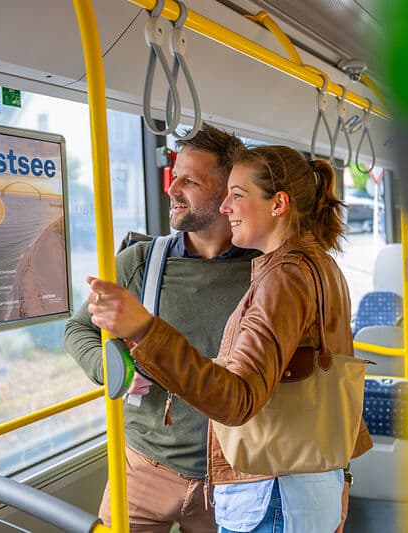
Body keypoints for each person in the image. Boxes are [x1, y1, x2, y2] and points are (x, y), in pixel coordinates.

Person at [86, 145, 372, 533]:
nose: (226, 208)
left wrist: (145, 330)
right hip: (302, 483)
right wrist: (341, 474)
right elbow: (338, 388)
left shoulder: (283, 278)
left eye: (237, 196)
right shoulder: (318, 264)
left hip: (272, 492)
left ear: (278, 204)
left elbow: (237, 399)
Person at [63, 123, 258, 532]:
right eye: (174, 173)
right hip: (144, 468)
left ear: (226, 197)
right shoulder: (140, 262)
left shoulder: (263, 272)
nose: (172, 188)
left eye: (190, 180)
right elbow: (78, 330)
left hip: (232, 475)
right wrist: (111, 369)